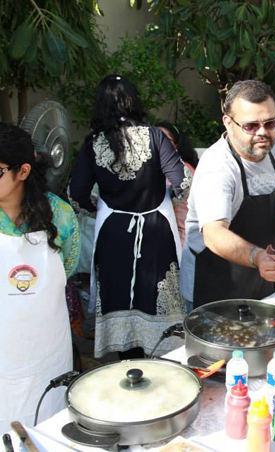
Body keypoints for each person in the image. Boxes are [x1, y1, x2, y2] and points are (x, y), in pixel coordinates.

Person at [70, 75, 191, 359]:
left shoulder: (93, 144)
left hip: (113, 231)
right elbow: (183, 183)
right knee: (156, 296)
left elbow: (76, 194)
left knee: (119, 294)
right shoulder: (155, 136)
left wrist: (99, 208)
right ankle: (161, 359)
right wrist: (166, 201)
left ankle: (127, 366)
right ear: (135, 101)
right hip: (156, 229)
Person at [180, 80, 275, 308]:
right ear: (228, 123)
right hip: (216, 283)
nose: (263, 133)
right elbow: (214, 233)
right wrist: (257, 257)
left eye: (270, 123)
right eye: (251, 126)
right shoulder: (218, 167)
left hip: (263, 277)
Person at [0, 123, 80, 429]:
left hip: (45, 349)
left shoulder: (60, 216)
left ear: (22, 171)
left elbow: (68, 268)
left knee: (46, 424)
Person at [156, 121, 199, 245]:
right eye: (154, 138)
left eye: (164, 139)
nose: (158, 143)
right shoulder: (157, 167)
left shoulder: (181, 169)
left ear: (176, 145)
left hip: (181, 236)